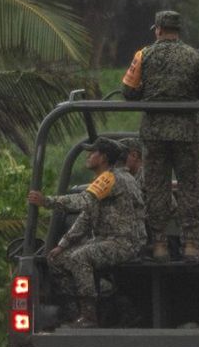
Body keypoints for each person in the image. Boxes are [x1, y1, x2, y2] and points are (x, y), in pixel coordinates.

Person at [122, 10, 199, 264]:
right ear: (178, 30)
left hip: (154, 134)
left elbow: (128, 92)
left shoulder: (143, 55)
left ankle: (159, 245)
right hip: (186, 135)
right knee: (190, 187)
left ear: (158, 29)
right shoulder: (193, 56)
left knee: (156, 188)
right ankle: (189, 244)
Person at [27, 138, 146, 327]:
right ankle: (76, 313)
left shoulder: (112, 178)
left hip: (124, 243)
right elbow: (86, 217)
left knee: (80, 257)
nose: (89, 156)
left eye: (93, 152)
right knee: (56, 260)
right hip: (109, 241)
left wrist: (46, 201)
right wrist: (62, 245)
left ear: (104, 157)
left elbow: (82, 202)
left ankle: (89, 316)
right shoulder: (107, 179)